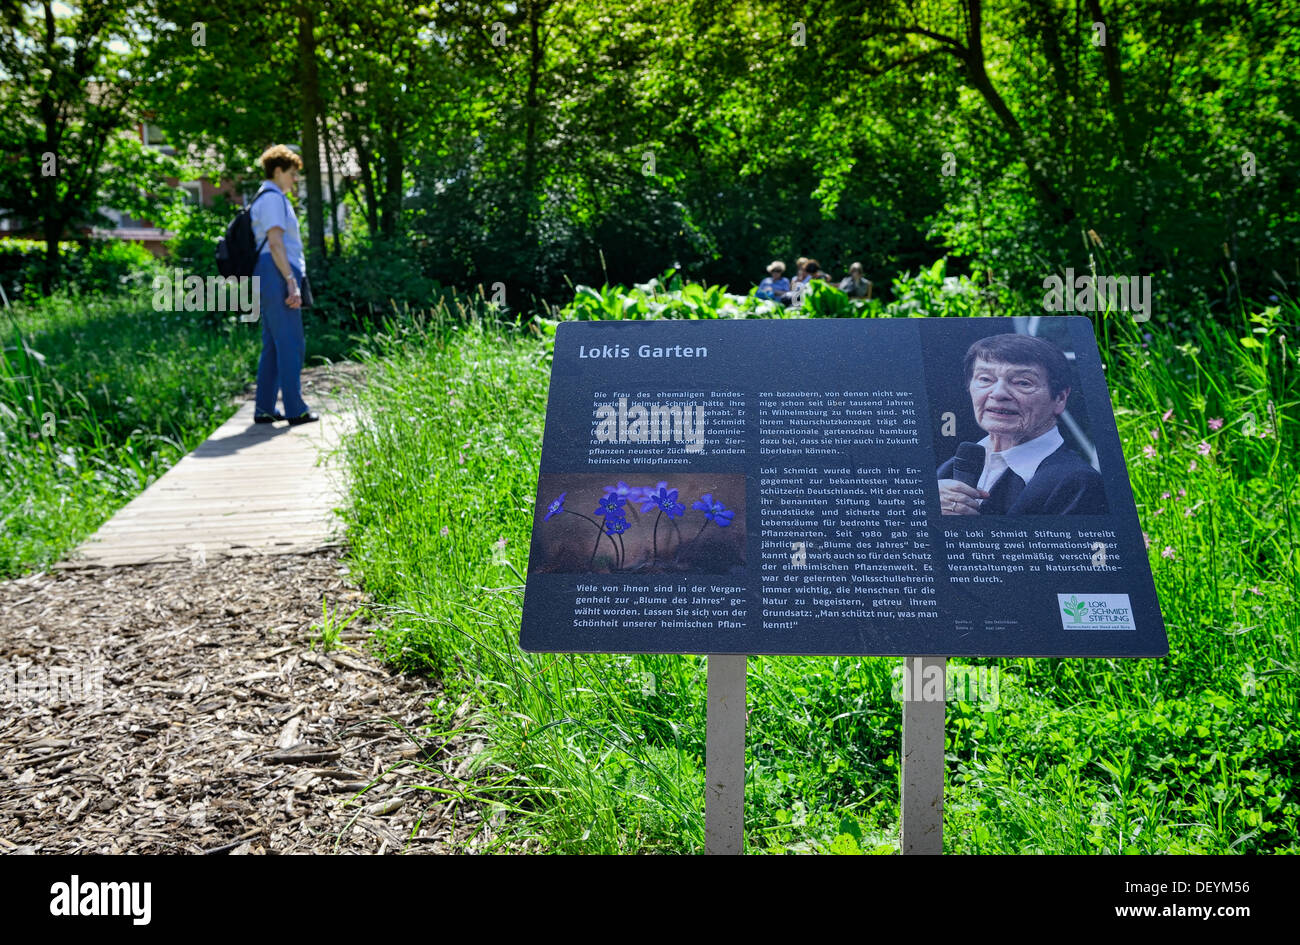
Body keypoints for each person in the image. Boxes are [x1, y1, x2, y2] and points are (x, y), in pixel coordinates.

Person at [937, 333, 1107, 515]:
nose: (998, 393)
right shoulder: (948, 469)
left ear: (1060, 398)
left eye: (1022, 382)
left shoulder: (1079, 484)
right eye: (985, 379)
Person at [251, 144, 317, 426]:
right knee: (291, 342)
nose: (295, 180)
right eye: (292, 174)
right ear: (277, 171)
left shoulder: (265, 198)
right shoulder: (273, 199)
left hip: (267, 272)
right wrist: (291, 281)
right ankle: (295, 409)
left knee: (274, 344)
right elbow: (276, 243)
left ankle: (265, 408)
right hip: (277, 271)